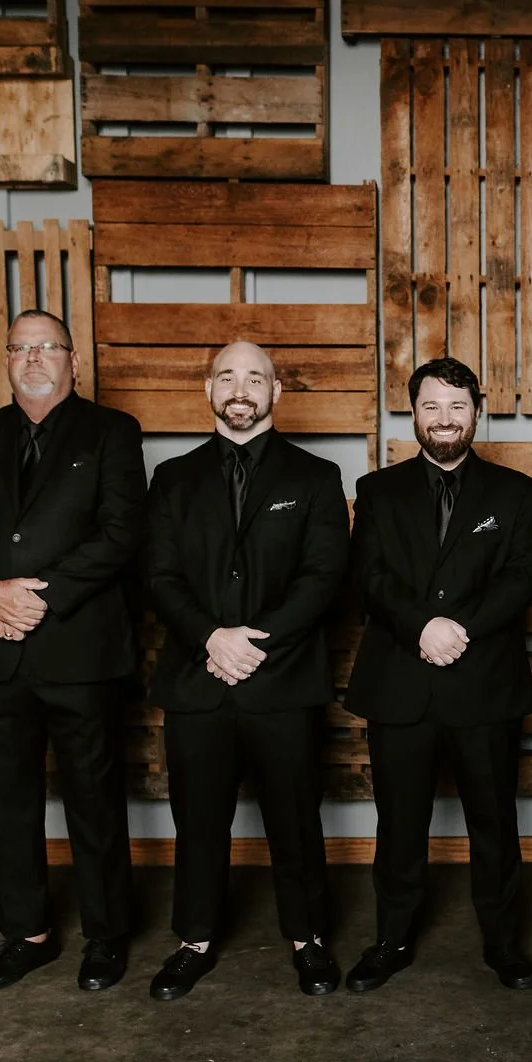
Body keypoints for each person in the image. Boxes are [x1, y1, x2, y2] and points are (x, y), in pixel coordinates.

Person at [0, 310, 143, 994]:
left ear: (72, 359)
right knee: (10, 801)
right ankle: (26, 934)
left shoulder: (111, 431)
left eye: (46, 346)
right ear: (6, 360)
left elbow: (120, 534)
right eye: (19, 348)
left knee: (95, 798)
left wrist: (37, 599)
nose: (32, 358)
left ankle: (108, 936)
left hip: (79, 647)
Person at [142, 342, 349, 999]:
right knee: (197, 817)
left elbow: (324, 578)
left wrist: (252, 644)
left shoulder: (315, 476)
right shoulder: (172, 478)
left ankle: (308, 937)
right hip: (197, 678)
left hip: (281, 679)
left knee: (294, 816)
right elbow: (159, 573)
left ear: (275, 391)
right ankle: (194, 938)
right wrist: (210, 637)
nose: (241, 388)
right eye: (228, 376)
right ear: (208, 388)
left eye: (254, 377)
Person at [343, 358, 532, 992]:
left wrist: (462, 629)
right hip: (401, 680)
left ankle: (503, 944)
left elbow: (520, 579)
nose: (445, 419)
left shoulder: (513, 492)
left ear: (476, 412)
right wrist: (422, 627)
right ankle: (392, 940)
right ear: (414, 414)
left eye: (457, 406)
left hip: (483, 681)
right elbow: (368, 577)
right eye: (432, 407)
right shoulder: (377, 490)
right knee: (399, 824)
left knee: (494, 822)